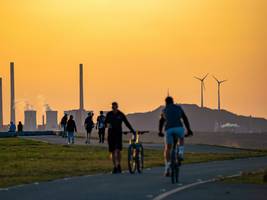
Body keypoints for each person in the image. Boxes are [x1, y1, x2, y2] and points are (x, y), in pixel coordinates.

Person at [159, 96, 193, 177]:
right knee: (181, 138)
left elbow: (161, 121)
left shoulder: (164, 110)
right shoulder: (178, 108)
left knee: (168, 148)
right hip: (179, 128)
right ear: (173, 101)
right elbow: (185, 118)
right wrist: (189, 130)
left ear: (166, 102)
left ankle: (167, 168)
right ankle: (180, 153)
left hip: (168, 129)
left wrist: (160, 131)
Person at [105, 102, 135, 174]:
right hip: (111, 135)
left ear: (117, 107)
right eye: (113, 107)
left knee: (117, 151)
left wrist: (132, 131)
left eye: (115, 107)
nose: (114, 108)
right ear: (112, 107)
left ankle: (118, 165)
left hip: (118, 135)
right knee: (112, 151)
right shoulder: (109, 114)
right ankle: (115, 166)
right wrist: (109, 126)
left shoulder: (120, 114)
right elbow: (105, 124)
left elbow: (126, 123)